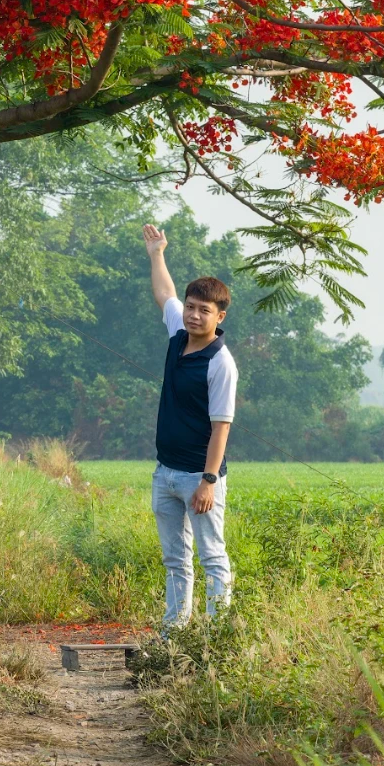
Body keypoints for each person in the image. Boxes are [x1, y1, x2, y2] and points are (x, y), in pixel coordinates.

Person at [141, 223, 238, 627]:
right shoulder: (178, 333)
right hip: (165, 473)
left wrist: (209, 481)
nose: (194, 315)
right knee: (175, 559)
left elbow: (222, 427)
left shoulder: (220, 362)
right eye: (191, 307)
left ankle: (218, 638)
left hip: (200, 476)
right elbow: (163, 293)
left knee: (212, 556)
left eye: (204, 310)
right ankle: (175, 633)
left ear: (220, 316)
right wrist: (157, 253)